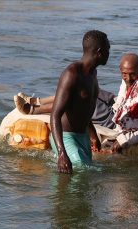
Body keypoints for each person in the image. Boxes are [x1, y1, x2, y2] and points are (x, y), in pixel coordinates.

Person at [47, 30, 110, 174]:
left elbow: (84, 107)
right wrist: (62, 152)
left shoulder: (93, 74)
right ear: (99, 52)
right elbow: (55, 115)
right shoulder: (72, 74)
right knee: (80, 175)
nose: (109, 53)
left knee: (84, 182)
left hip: (83, 137)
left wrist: (93, 135)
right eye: (108, 50)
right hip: (66, 137)